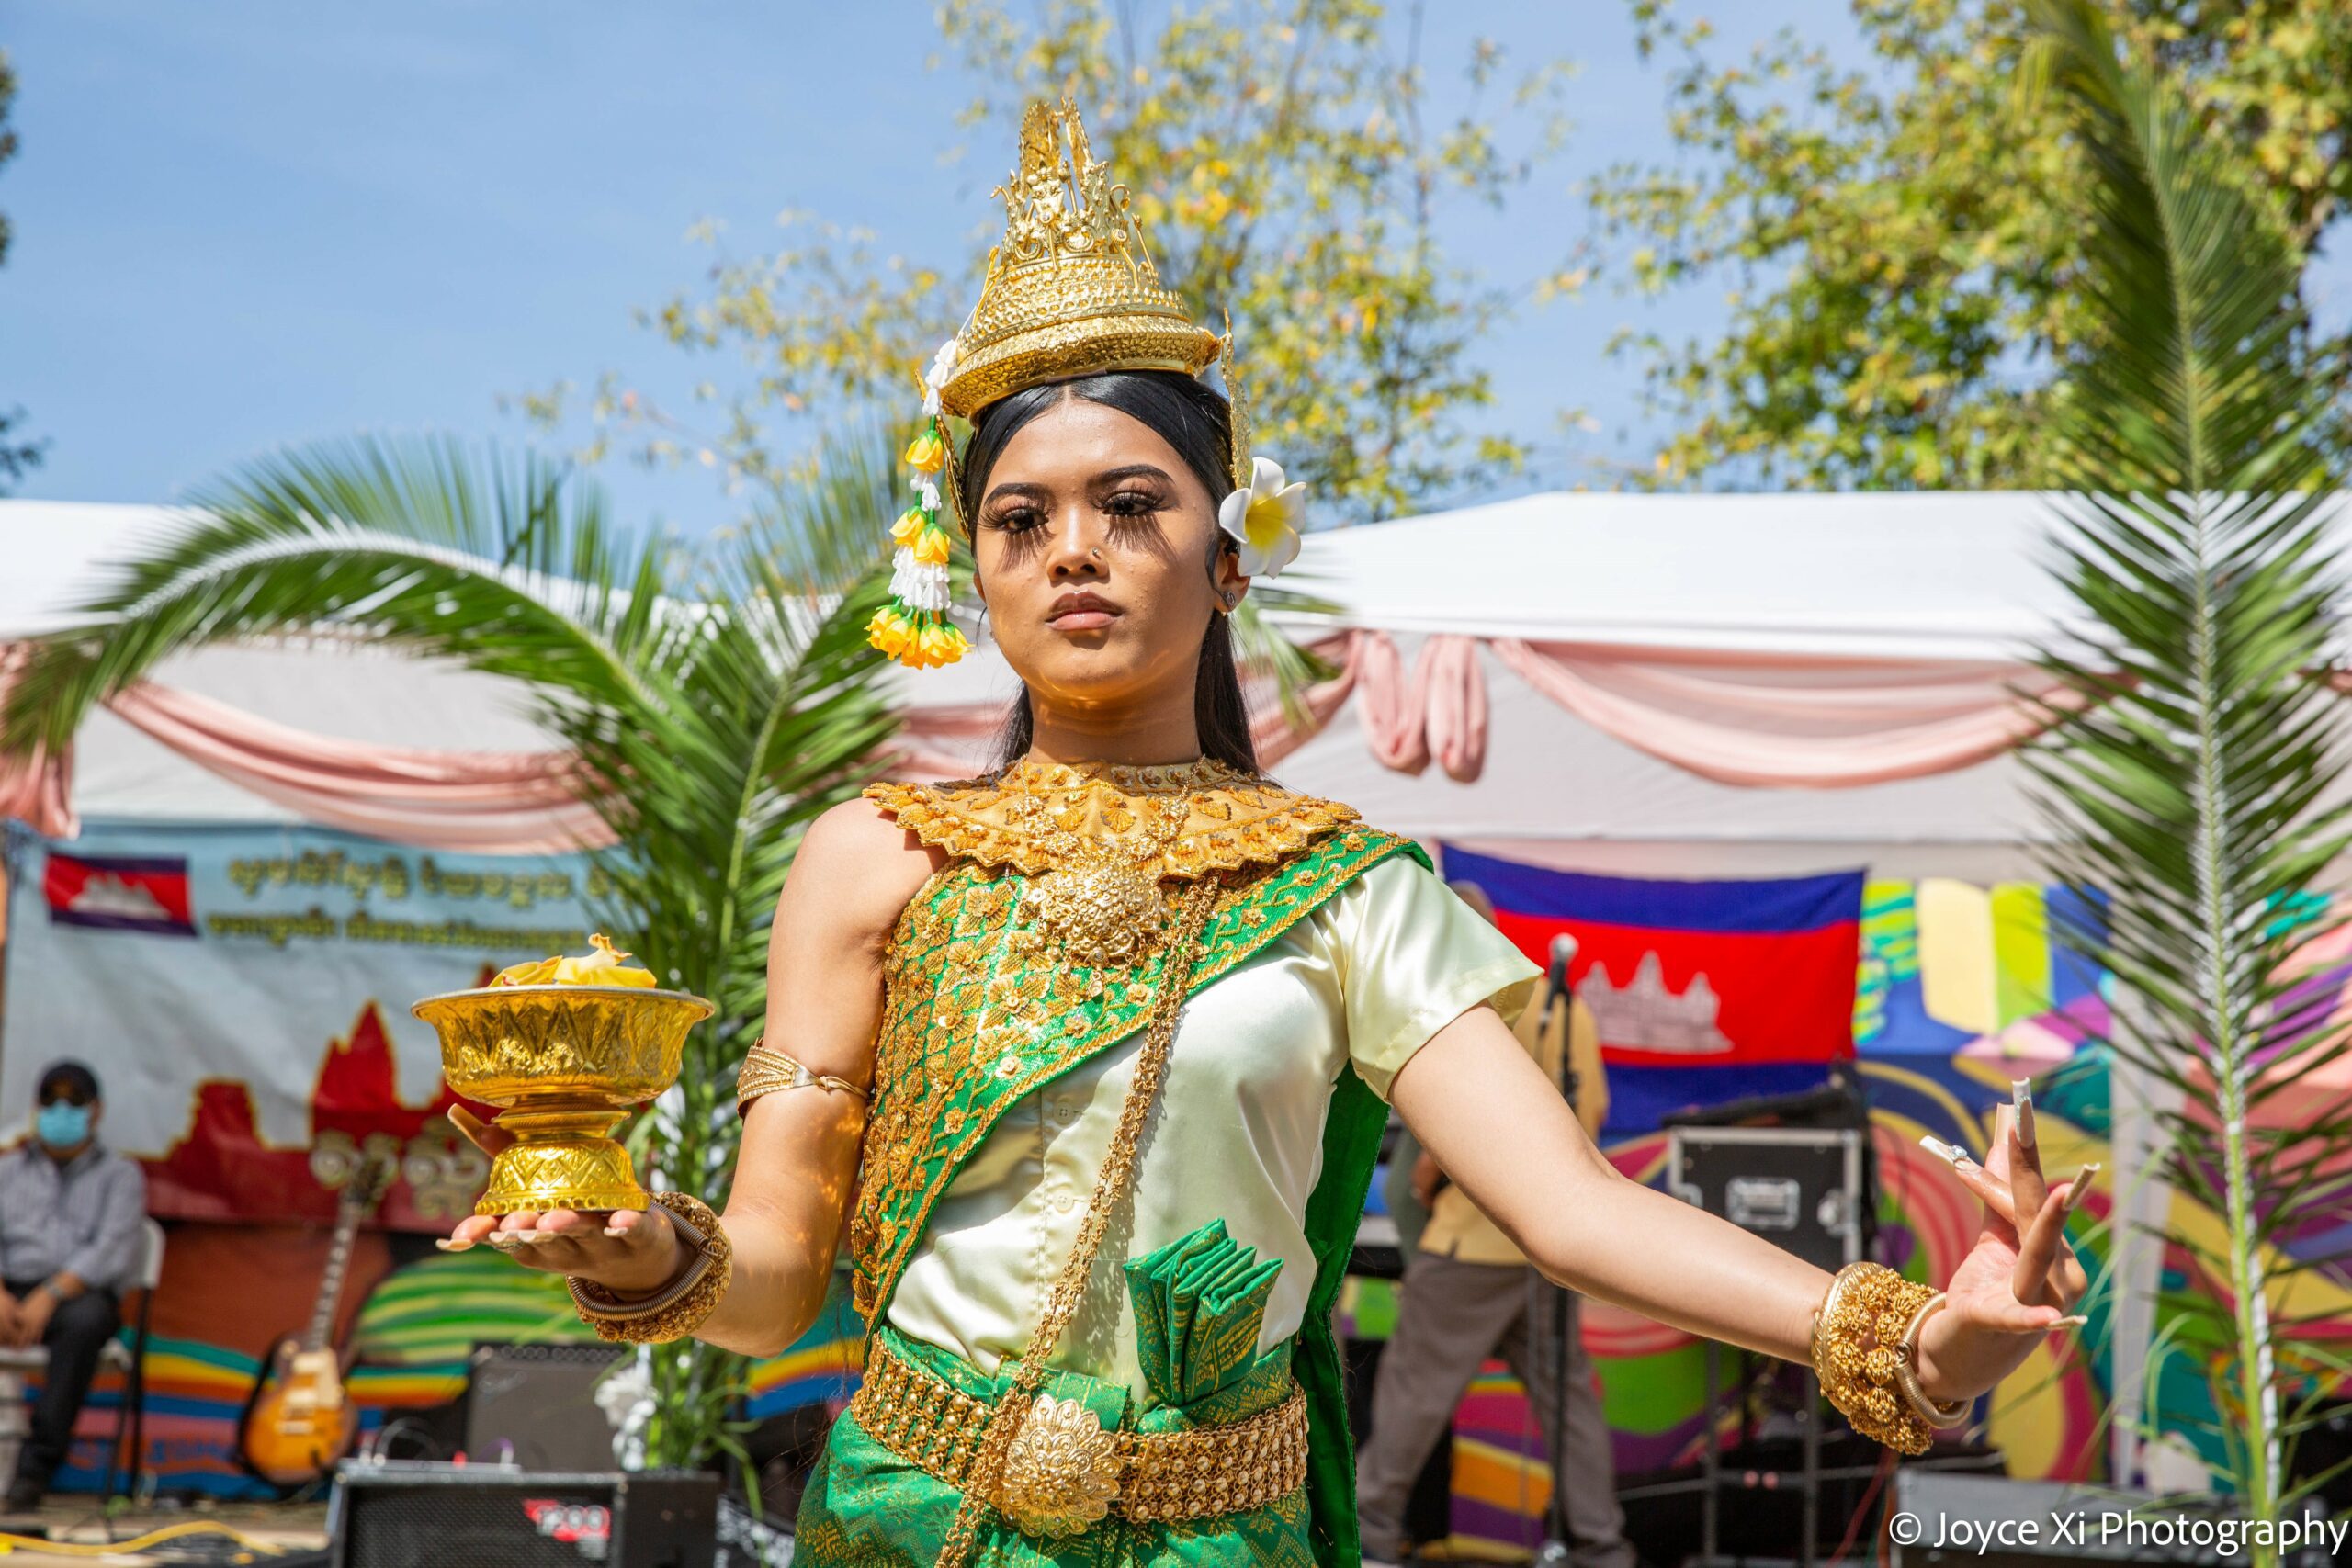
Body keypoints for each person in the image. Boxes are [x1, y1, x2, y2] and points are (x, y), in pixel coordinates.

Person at [442, 100, 2093, 1568]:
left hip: (1216, 1536)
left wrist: (1902, 1333)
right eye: (1020, 519)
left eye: (1133, 504)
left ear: (1229, 559)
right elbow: (780, 1272)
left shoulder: (1343, 891)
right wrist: (643, 1244)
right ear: (969, 568)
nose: (1073, 549)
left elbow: (1571, 1210)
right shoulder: (873, 857)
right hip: (914, 1526)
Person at [1355, 886, 1632, 1568]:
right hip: (1555, 1249)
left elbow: (1428, 1155)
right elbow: (1588, 1118)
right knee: (1568, 1402)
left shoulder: (1464, 1003)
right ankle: (1601, 1545)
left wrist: (1426, 1194)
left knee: (1412, 1396)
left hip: (1471, 1244)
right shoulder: (1568, 1010)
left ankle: (1371, 1537)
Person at [2, 1059, 148, 1512]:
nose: (61, 1111)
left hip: (78, 1297)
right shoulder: (6, 1171)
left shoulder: (120, 1175)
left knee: (87, 1323)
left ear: (96, 1111)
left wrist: (51, 1294)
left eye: (74, 1102)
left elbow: (112, 1250)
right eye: (50, 1101)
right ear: (35, 1108)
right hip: (8, 1292)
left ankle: (34, 1472)